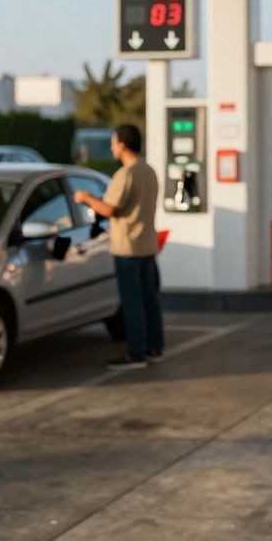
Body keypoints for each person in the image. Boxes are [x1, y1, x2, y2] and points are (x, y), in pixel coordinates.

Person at [73, 124, 165, 370]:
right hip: (147, 246)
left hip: (127, 249)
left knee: (132, 302)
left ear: (122, 145)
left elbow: (110, 209)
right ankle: (155, 347)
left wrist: (86, 199)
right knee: (150, 300)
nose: (112, 147)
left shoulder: (126, 174)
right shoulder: (149, 171)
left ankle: (135, 353)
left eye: (113, 143)